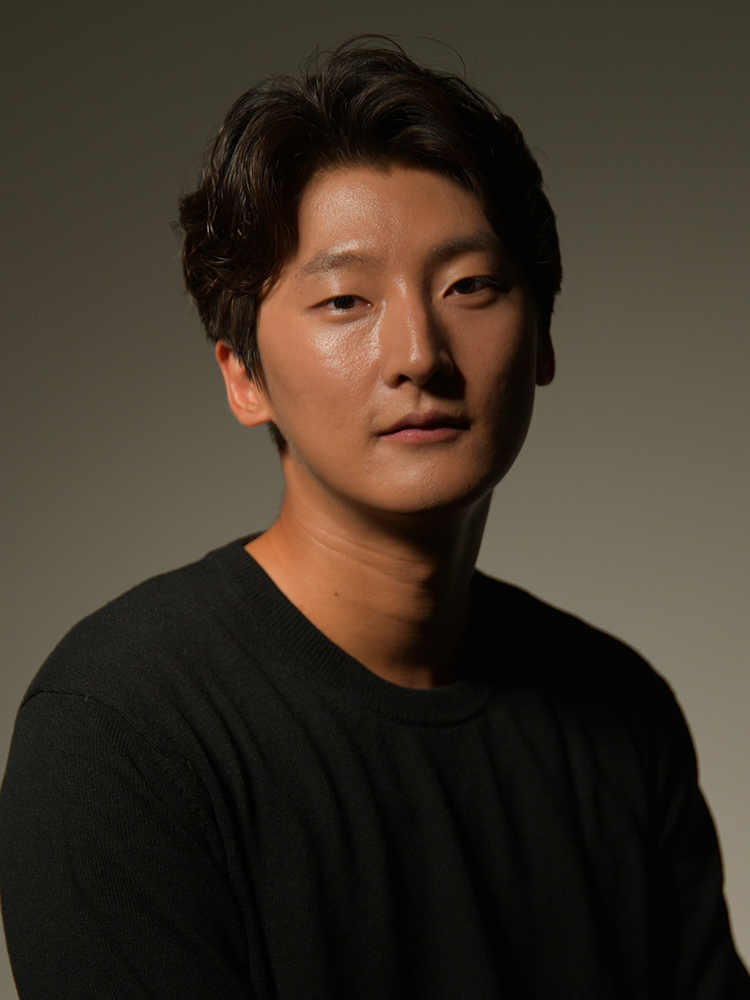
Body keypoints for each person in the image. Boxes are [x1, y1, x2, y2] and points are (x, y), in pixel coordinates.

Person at [1, 38, 748, 1000]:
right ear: (243, 376)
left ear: (544, 337)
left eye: (469, 286)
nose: (418, 353)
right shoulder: (121, 732)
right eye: (345, 299)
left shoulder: (622, 713)